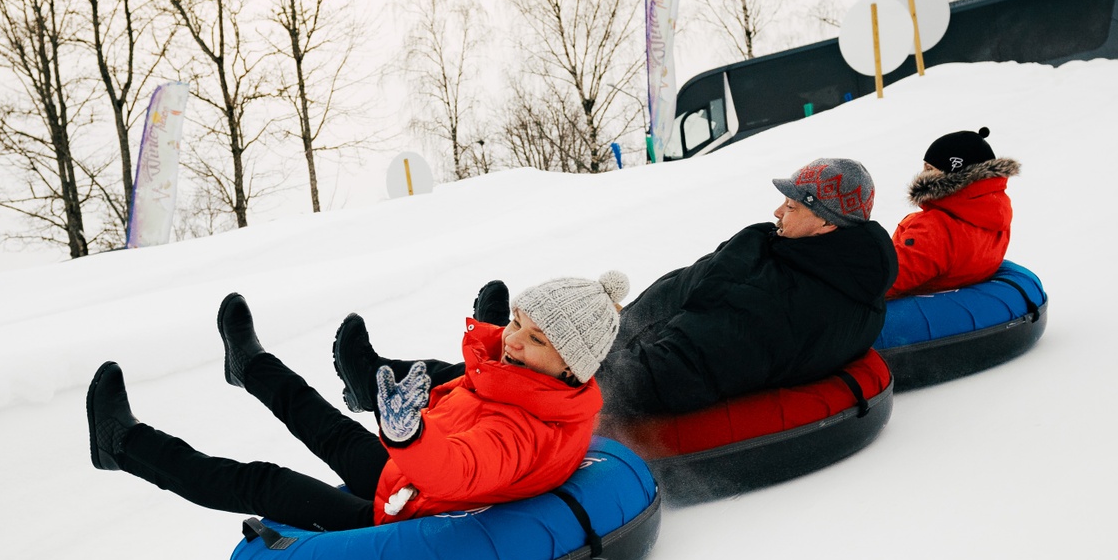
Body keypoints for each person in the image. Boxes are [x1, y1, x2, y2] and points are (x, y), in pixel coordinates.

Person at [335, 158, 896, 421]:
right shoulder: (811, 255)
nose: (778, 210)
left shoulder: (801, 303)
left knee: (526, 377)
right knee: (539, 343)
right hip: (657, 332)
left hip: (656, 376)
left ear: (825, 221)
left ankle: (382, 384)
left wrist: (602, 363)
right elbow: (699, 285)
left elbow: (707, 356)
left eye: (793, 205)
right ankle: (500, 333)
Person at [85, 273, 629, 532]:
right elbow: (463, 408)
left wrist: (407, 433)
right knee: (322, 421)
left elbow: (462, 468)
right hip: (405, 477)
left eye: (534, 339)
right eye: (516, 322)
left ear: (570, 366)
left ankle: (123, 444)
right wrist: (415, 422)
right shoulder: (522, 380)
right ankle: (250, 367)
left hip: (401, 512)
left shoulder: (530, 430)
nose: (511, 340)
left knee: (263, 482)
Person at [888, 127, 1020, 298]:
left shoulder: (935, 229)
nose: (921, 175)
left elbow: (882, 283)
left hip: (916, 310)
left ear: (951, 175)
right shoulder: (994, 215)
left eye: (929, 169)